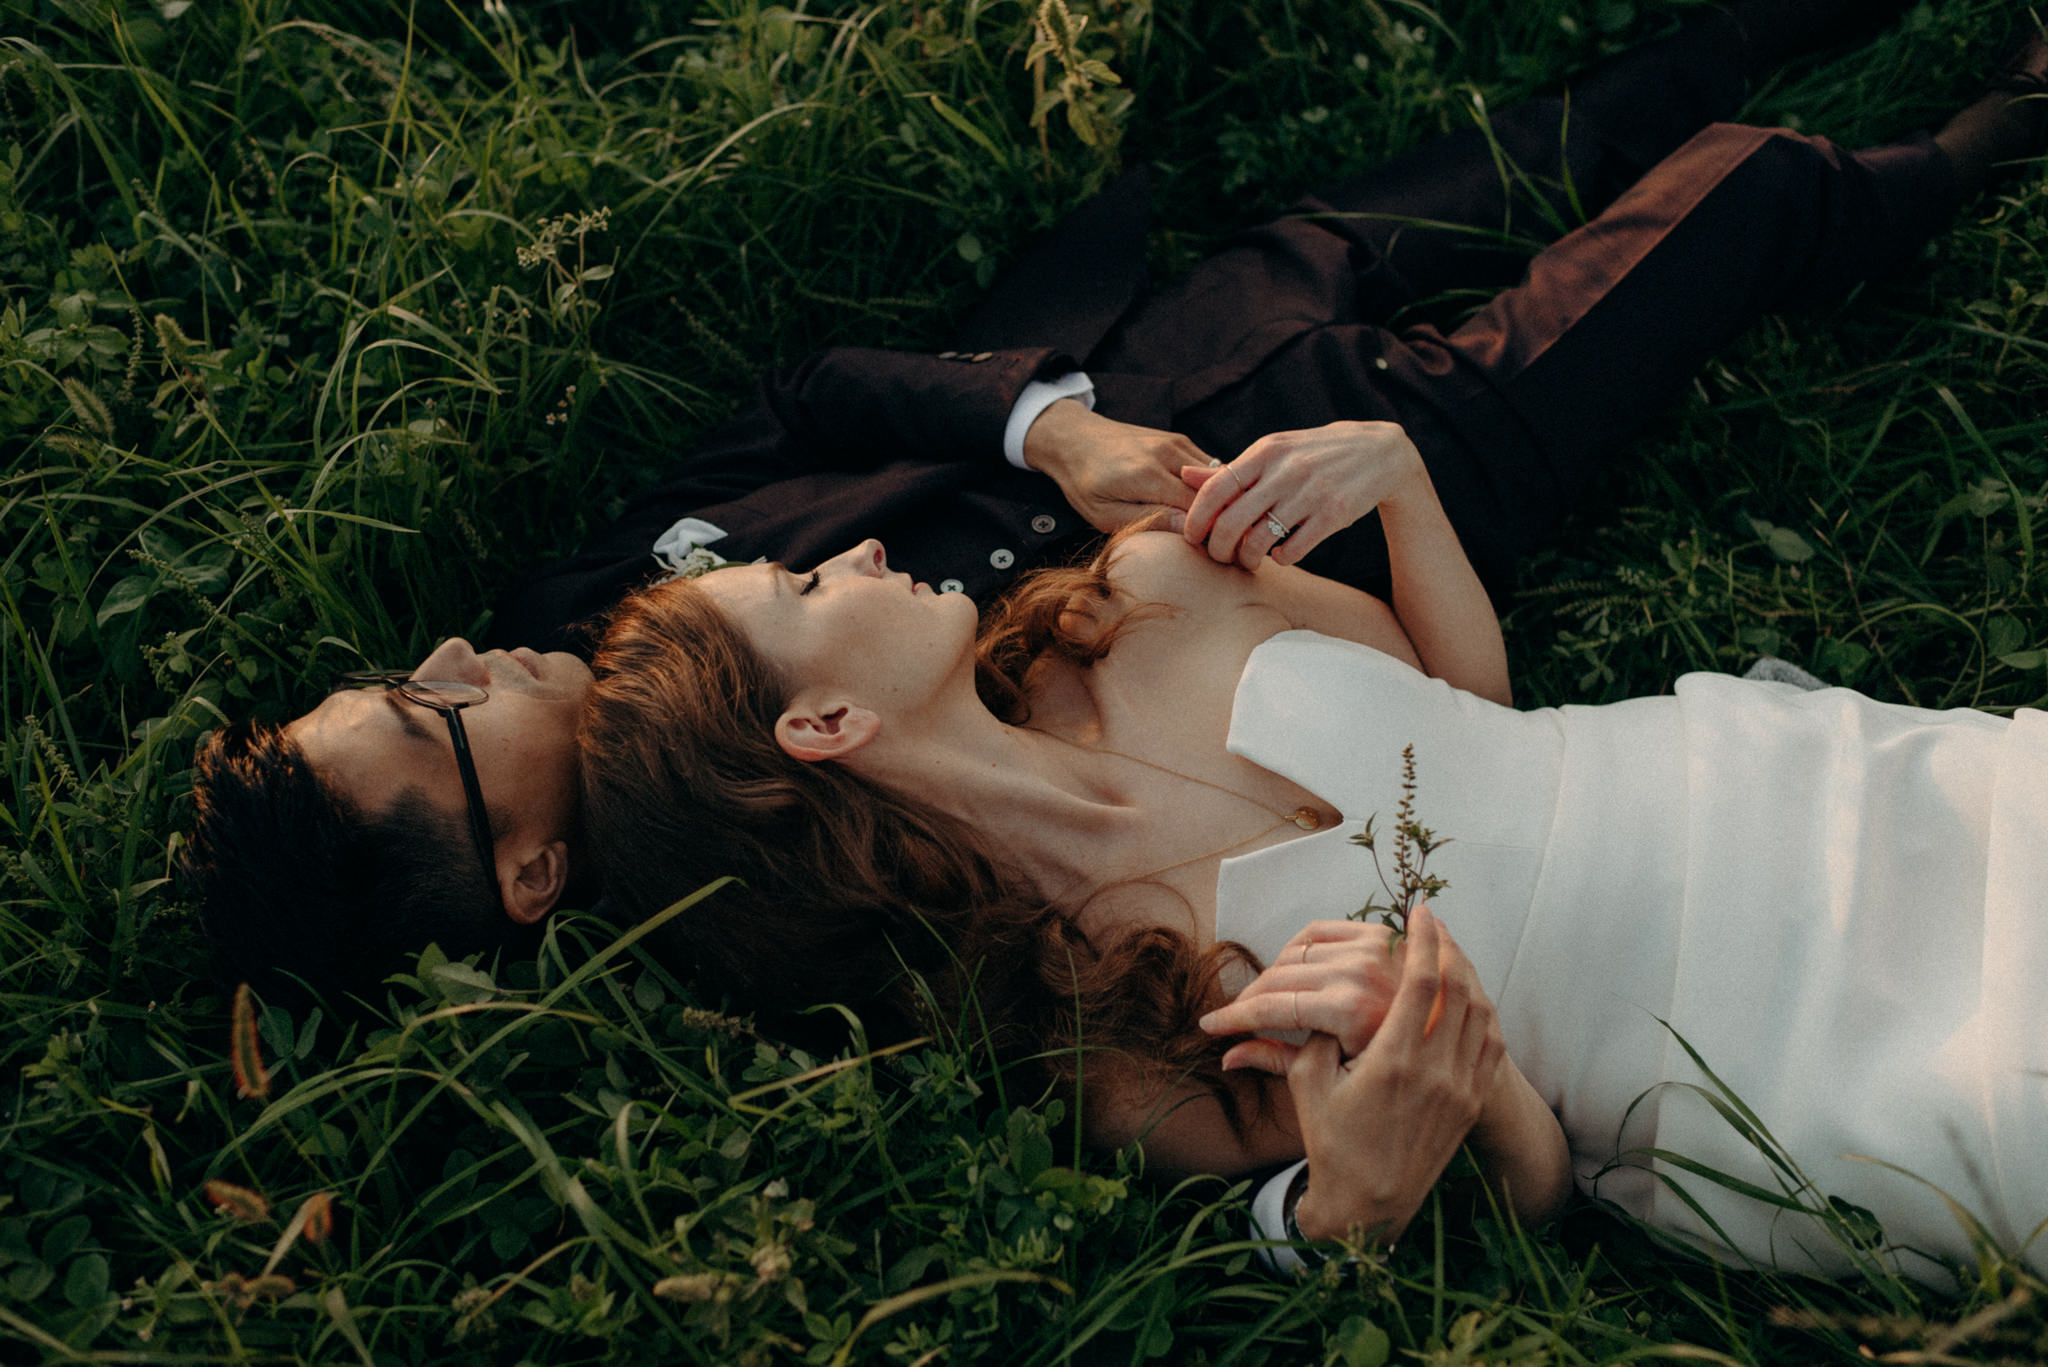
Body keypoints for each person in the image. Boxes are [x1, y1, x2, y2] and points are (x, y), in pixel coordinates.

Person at [183, 0, 2034, 1011]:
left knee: (1567, 128)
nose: (457, 651)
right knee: (1744, 206)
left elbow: (803, 403)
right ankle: (1986, 135)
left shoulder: (571, 590)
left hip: (1186, 360)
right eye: (433, 712)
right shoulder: (775, 893)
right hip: (1346, 537)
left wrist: (1047, 428)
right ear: (528, 868)